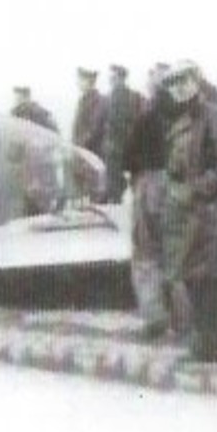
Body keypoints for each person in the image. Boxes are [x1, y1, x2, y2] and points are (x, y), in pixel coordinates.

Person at [160, 61, 217, 361]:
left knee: (205, 279)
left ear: (197, 81)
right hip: (186, 212)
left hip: (204, 212)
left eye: (184, 80)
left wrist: (198, 191)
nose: (178, 87)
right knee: (201, 278)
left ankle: (212, 346)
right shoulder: (181, 121)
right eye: (172, 83)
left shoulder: (212, 116)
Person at [122, 64, 174, 339]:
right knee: (176, 250)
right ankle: (183, 316)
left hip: (149, 183)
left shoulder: (147, 116)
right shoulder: (184, 116)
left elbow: (128, 155)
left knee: (145, 253)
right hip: (178, 187)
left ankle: (155, 316)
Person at [101, 65, 143, 204]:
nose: (111, 81)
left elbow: (135, 120)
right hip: (116, 148)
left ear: (121, 78)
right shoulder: (109, 98)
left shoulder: (131, 97)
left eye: (113, 78)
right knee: (115, 185)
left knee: (120, 184)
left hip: (123, 147)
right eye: (110, 78)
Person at [71, 67, 108, 159]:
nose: (78, 83)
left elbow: (93, 128)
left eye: (81, 79)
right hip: (83, 153)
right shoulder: (83, 100)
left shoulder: (98, 100)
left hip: (92, 153)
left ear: (89, 81)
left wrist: (79, 146)